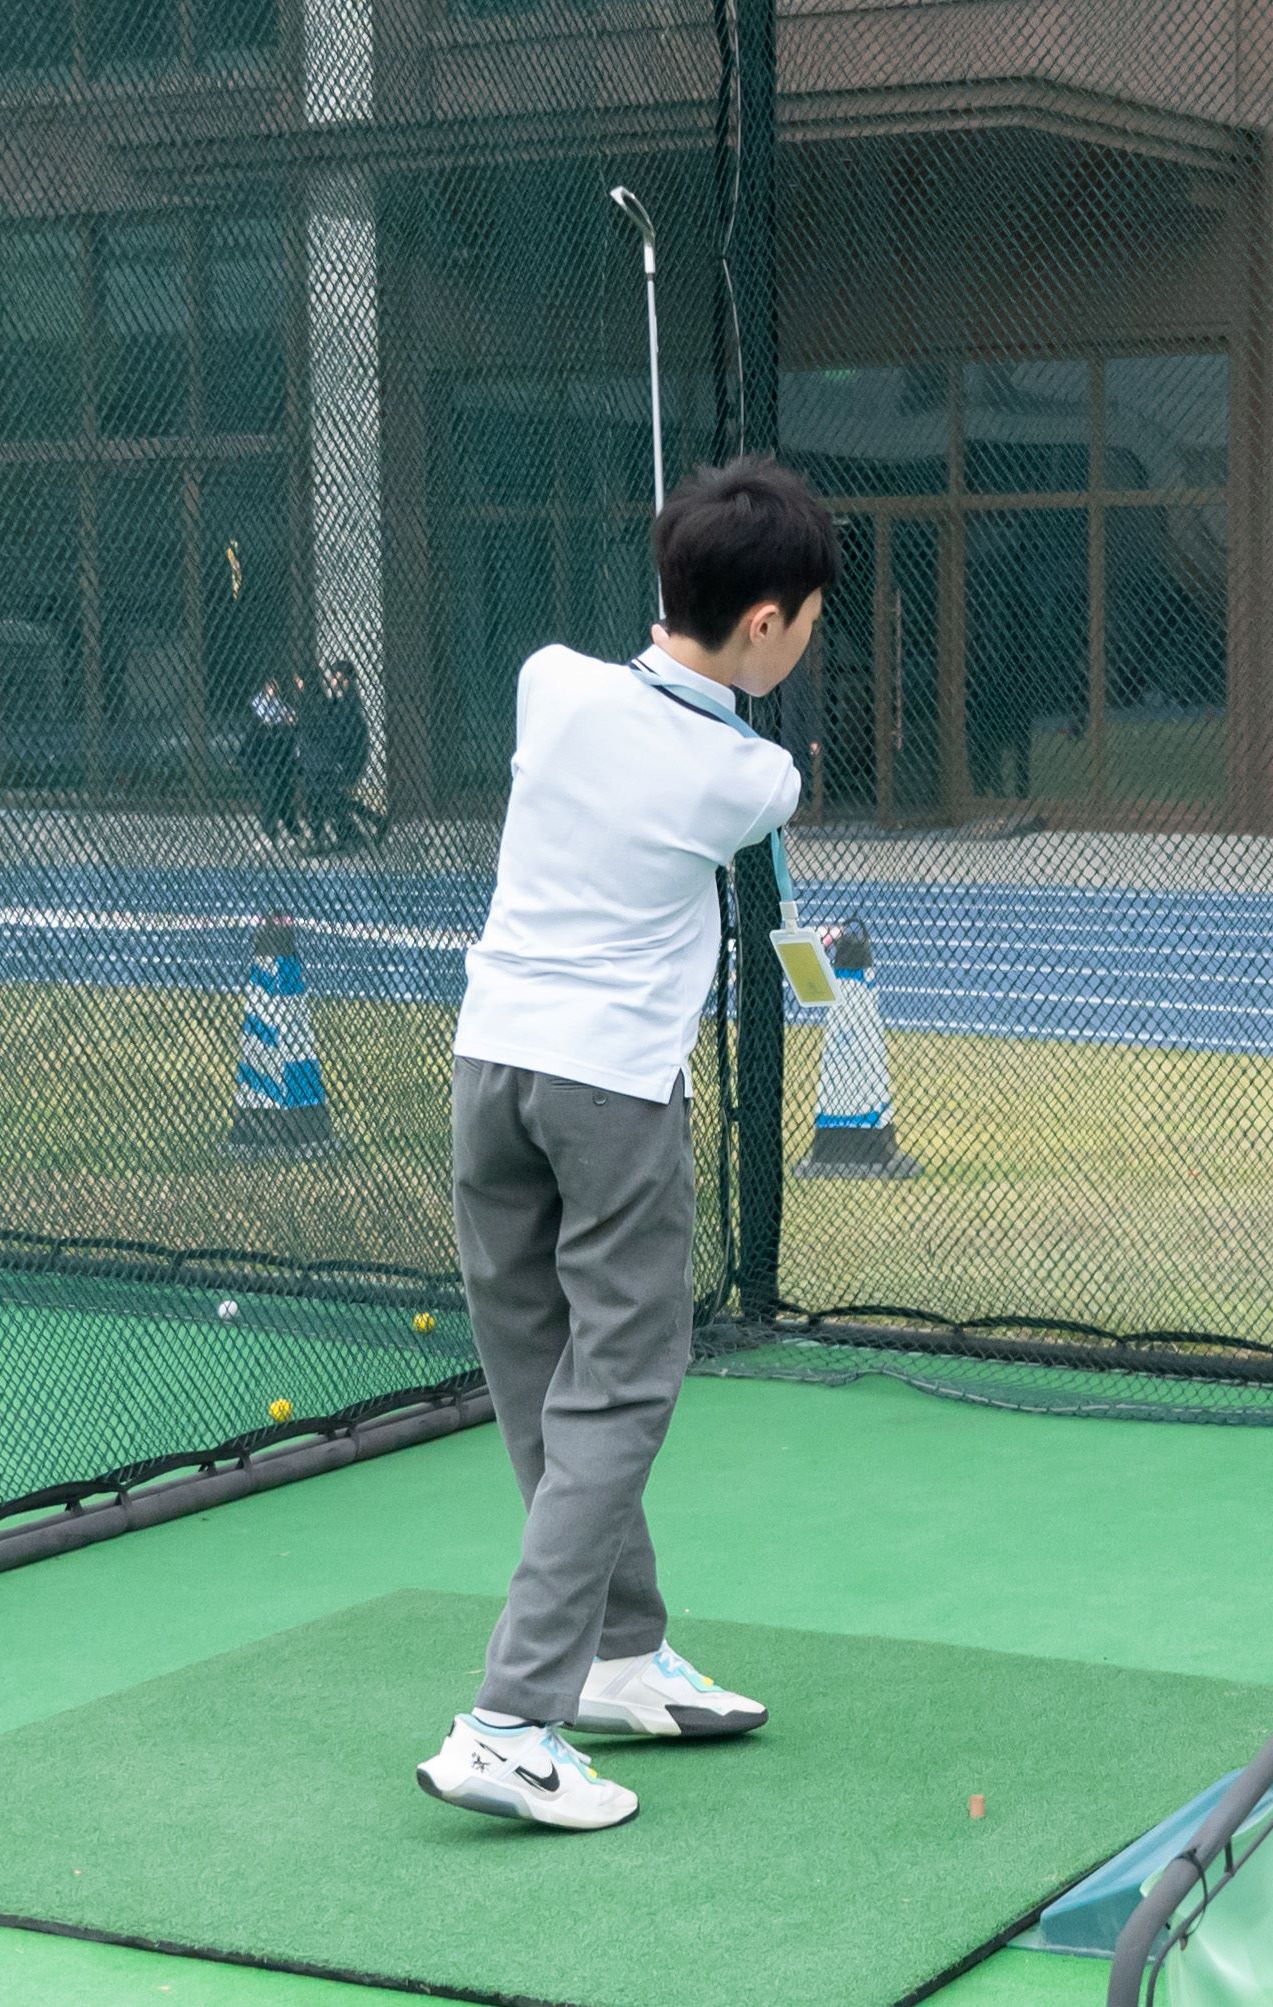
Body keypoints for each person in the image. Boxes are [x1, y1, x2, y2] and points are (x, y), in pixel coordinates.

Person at [417, 457, 835, 1832]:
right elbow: (724, 747)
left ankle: (616, 1651)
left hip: (489, 1070)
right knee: (616, 1391)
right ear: (764, 622)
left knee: (543, 1376)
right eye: (804, 620)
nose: (806, 639)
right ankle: (508, 1723)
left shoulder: (549, 682)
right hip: (606, 1095)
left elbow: (636, 680)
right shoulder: (753, 775)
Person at [300, 659, 383, 851]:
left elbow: (345, 732)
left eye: (335, 677)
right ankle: (362, 827)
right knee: (331, 797)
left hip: (343, 758)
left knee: (329, 797)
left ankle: (357, 830)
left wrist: (340, 760)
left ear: (344, 679)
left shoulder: (347, 702)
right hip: (340, 757)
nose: (331, 680)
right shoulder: (343, 700)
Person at [238, 672, 299, 845]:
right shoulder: (255, 705)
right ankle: (271, 832)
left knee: (282, 794)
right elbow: (260, 725)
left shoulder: (281, 705)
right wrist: (278, 722)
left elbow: (291, 719)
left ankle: (291, 829)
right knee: (270, 795)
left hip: (280, 757)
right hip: (264, 757)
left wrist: (283, 721)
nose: (275, 689)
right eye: (271, 685)